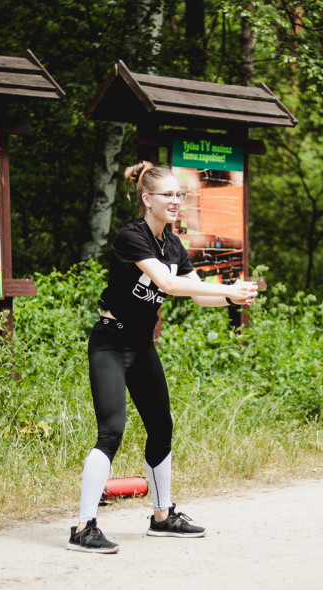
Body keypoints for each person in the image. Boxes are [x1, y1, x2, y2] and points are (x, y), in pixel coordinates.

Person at [67, 161, 258, 554]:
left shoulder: (173, 245)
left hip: (140, 345)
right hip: (109, 341)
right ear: (146, 198)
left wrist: (229, 295)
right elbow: (168, 285)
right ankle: (83, 527)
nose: (175, 201)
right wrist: (226, 291)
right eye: (168, 195)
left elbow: (197, 294)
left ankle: (162, 516)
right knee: (112, 431)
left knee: (162, 423)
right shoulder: (131, 237)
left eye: (179, 194)